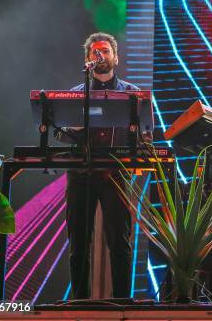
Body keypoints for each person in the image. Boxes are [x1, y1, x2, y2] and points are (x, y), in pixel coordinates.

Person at [55, 32, 139, 298]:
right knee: (79, 243)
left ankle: (124, 303)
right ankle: (79, 303)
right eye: (95, 52)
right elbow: (58, 132)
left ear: (116, 57)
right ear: (88, 59)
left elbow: (147, 134)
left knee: (120, 243)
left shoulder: (132, 94)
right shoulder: (74, 95)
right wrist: (72, 128)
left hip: (116, 174)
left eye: (105, 50)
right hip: (81, 174)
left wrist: (135, 133)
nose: (100, 55)